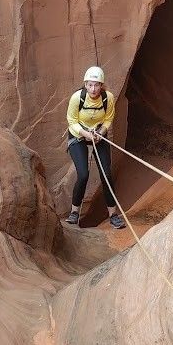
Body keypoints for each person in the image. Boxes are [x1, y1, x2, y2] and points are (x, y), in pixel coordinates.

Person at [65, 66, 125, 229]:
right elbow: (72, 121)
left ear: (102, 85)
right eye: (90, 85)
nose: (93, 89)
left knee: (106, 174)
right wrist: (85, 134)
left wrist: (101, 132)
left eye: (97, 85)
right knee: (83, 174)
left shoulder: (108, 98)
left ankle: (113, 214)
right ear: (85, 84)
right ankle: (74, 212)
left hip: (99, 135)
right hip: (78, 135)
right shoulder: (77, 98)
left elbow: (108, 118)